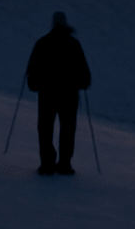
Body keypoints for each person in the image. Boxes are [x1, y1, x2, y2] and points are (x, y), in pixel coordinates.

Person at [26, 11, 92, 175]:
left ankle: (47, 163)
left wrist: (34, 84)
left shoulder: (42, 43)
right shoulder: (73, 44)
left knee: (45, 128)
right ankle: (64, 163)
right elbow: (83, 71)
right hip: (69, 95)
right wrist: (82, 83)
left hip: (47, 94)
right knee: (68, 129)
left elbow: (33, 69)